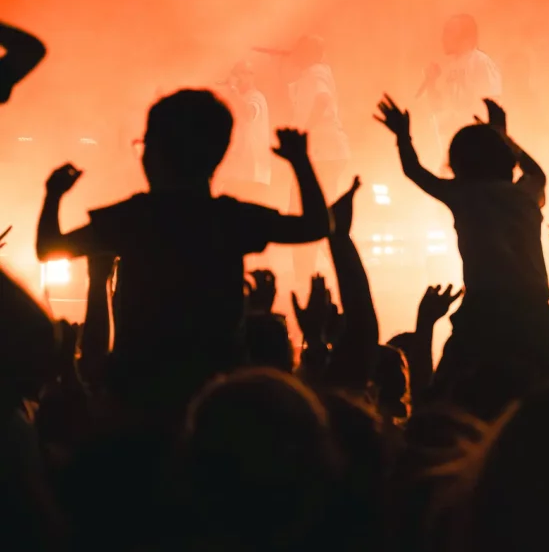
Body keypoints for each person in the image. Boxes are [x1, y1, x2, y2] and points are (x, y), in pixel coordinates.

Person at [35, 89, 329, 404]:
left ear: (157, 153)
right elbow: (316, 225)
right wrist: (301, 162)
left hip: (138, 395)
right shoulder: (229, 218)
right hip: (215, 395)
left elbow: (49, 248)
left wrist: (53, 195)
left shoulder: (133, 218)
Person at [375, 94, 549, 403]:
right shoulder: (526, 195)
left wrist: (402, 136)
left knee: (447, 401)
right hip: (535, 314)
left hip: (483, 315)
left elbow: (414, 171)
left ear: (457, 164)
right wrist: (503, 135)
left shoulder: (463, 194)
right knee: (540, 401)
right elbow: (537, 173)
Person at [288, 36, 350, 285]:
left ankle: (307, 278)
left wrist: (305, 131)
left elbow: (322, 100)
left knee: (307, 213)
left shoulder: (315, 73)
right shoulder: (314, 73)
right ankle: (333, 269)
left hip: (322, 152)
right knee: (320, 214)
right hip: (327, 152)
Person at [422, 14, 502, 149]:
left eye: (449, 32)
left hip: (476, 143)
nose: (443, 38)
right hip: (453, 143)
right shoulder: (450, 67)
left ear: (466, 37)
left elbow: (491, 105)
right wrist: (431, 83)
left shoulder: (481, 62)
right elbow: (438, 106)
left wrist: (457, 119)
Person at [219, 61, 271, 204]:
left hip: (251, 171)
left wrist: (233, 90)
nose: (236, 79)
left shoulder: (256, 97)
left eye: (239, 75)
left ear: (250, 76)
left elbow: (248, 114)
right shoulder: (241, 98)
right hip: (240, 170)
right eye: (235, 75)